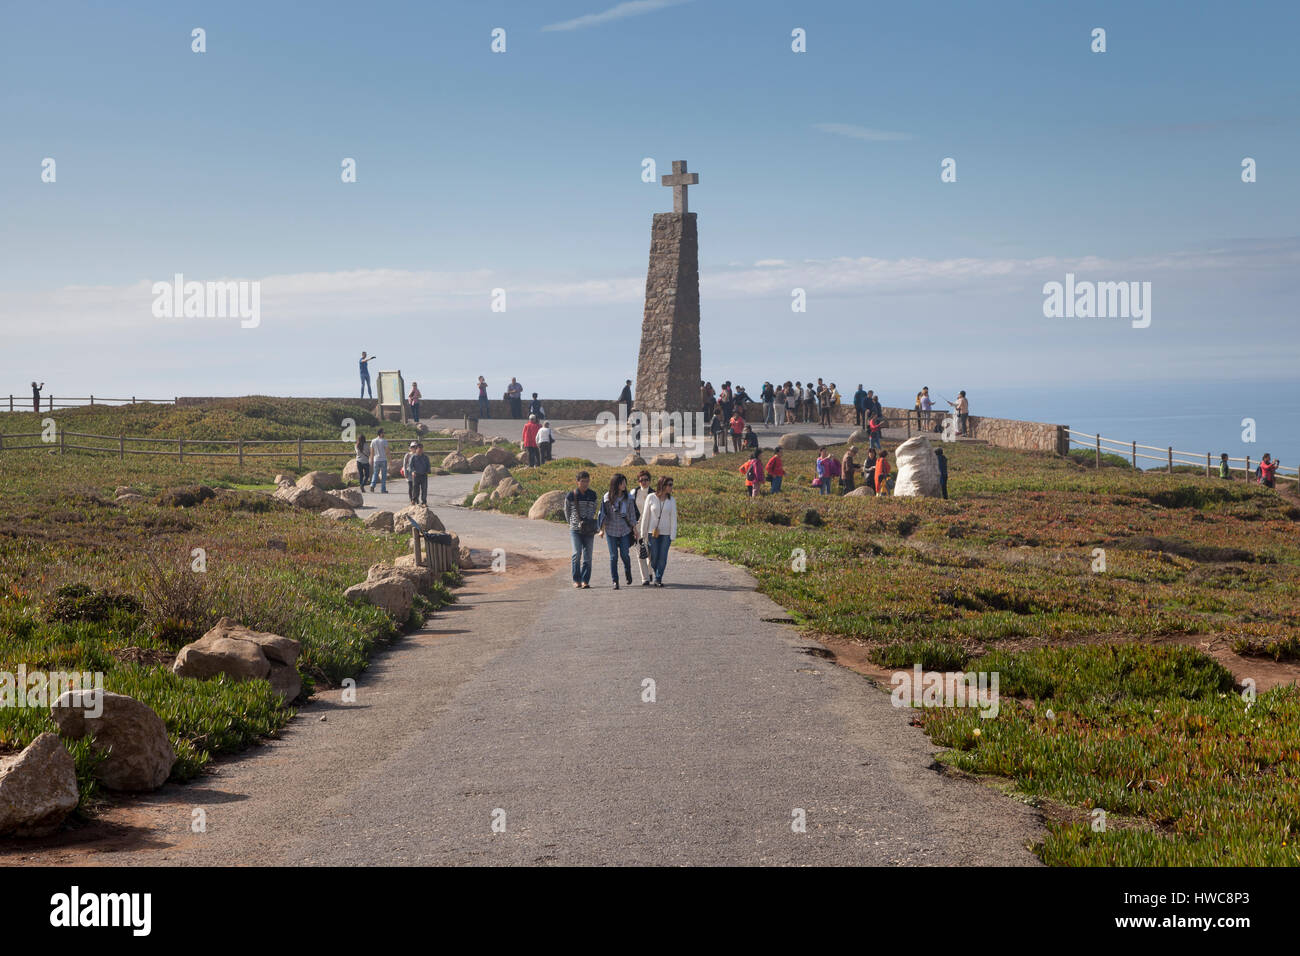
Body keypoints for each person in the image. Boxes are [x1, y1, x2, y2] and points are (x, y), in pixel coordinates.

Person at [597, 473, 638, 589]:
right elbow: (604, 515)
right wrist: (602, 530)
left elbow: (632, 515)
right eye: (621, 483)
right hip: (611, 530)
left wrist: (635, 530)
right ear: (616, 484)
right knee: (613, 556)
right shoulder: (607, 497)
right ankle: (615, 581)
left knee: (625, 554)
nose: (624, 485)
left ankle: (627, 571)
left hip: (625, 530)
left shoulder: (629, 498)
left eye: (625, 482)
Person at [640, 475, 677, 587]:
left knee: (663, 557)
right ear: (663, 485)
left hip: (666, 534)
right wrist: (643, 533)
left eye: (672, 485)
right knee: (654, 557)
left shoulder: (671, 500)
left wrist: (673, 535)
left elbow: (674, 518)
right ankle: (656, 572)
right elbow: (646, 516)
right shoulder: (651, 497)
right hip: (652, 532)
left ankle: (658, 578)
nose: (671, 487)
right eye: (669, 485)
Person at [564, 470, 599, 589]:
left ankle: (585, 580)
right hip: (575, 529)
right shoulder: (571, 495)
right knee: (576, 554)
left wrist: (589, 522)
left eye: (587, 481)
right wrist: (572, 523)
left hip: (589, 529)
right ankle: (576, 579)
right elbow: (566, 510)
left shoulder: (593, 495)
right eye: (582, 481)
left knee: (588, 556)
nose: (585, 484)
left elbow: (594, 509)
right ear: (577, 482)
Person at [632, 470, 655, 585]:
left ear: (650, 481)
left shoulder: (655, 493)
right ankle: (645, 578)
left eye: (646, 480)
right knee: (640, 551)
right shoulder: (634, 493)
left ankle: (650, 571)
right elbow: (630, 510)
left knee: (651, 553)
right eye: (641, 480)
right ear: (638, 481)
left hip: (650, 526)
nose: (643, 482)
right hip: (637, 526)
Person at [368, 428, 389, 493]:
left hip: (376, 459)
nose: (384, 434)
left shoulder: (373, 441)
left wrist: (371, 459)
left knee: (375, 473)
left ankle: (372, 485)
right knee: (383, 475)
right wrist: (390, 460)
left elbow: (371, 452)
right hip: (383, 459)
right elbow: (387, 451)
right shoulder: (384, 441)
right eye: (383, 432)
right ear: (380, 433)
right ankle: (383, 489)